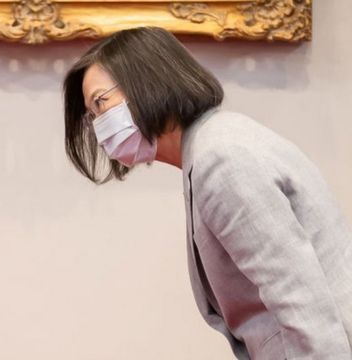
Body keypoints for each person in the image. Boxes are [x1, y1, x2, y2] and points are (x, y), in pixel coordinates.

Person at [62, 27, 352, 359]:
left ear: (148, 80)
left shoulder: (222, 158)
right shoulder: (213, 146)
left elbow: (300, 301)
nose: (99, 125)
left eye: (101, 103)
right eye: (92, 116)